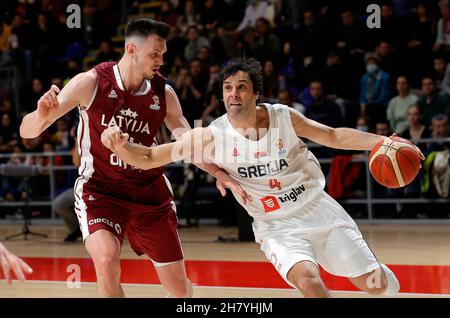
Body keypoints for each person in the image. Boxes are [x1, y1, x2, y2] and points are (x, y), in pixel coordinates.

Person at [101, 58, 425, 297]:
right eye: (227, 88)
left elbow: (334, 136)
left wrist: (382, 141)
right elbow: (151, 157)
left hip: (320, 211)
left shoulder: (284, 117)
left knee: (374, 283)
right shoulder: (212, 136)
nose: (233, 94)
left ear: (256, 93)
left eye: (241, 87)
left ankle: (386, 283)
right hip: (276, 226)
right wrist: (123, 146)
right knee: (310, 281)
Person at [19, 18, 247, 298]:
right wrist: (41, 115)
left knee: (178, 289)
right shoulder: (89, 83)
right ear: (131, 50)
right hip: (101, 190)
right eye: (154, 54)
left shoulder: (164, 92)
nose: (160, 61)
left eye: (163, 54)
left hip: (149, 193)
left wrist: (219, 173)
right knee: (105, 260)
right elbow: (27, 131)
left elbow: (188, 143)